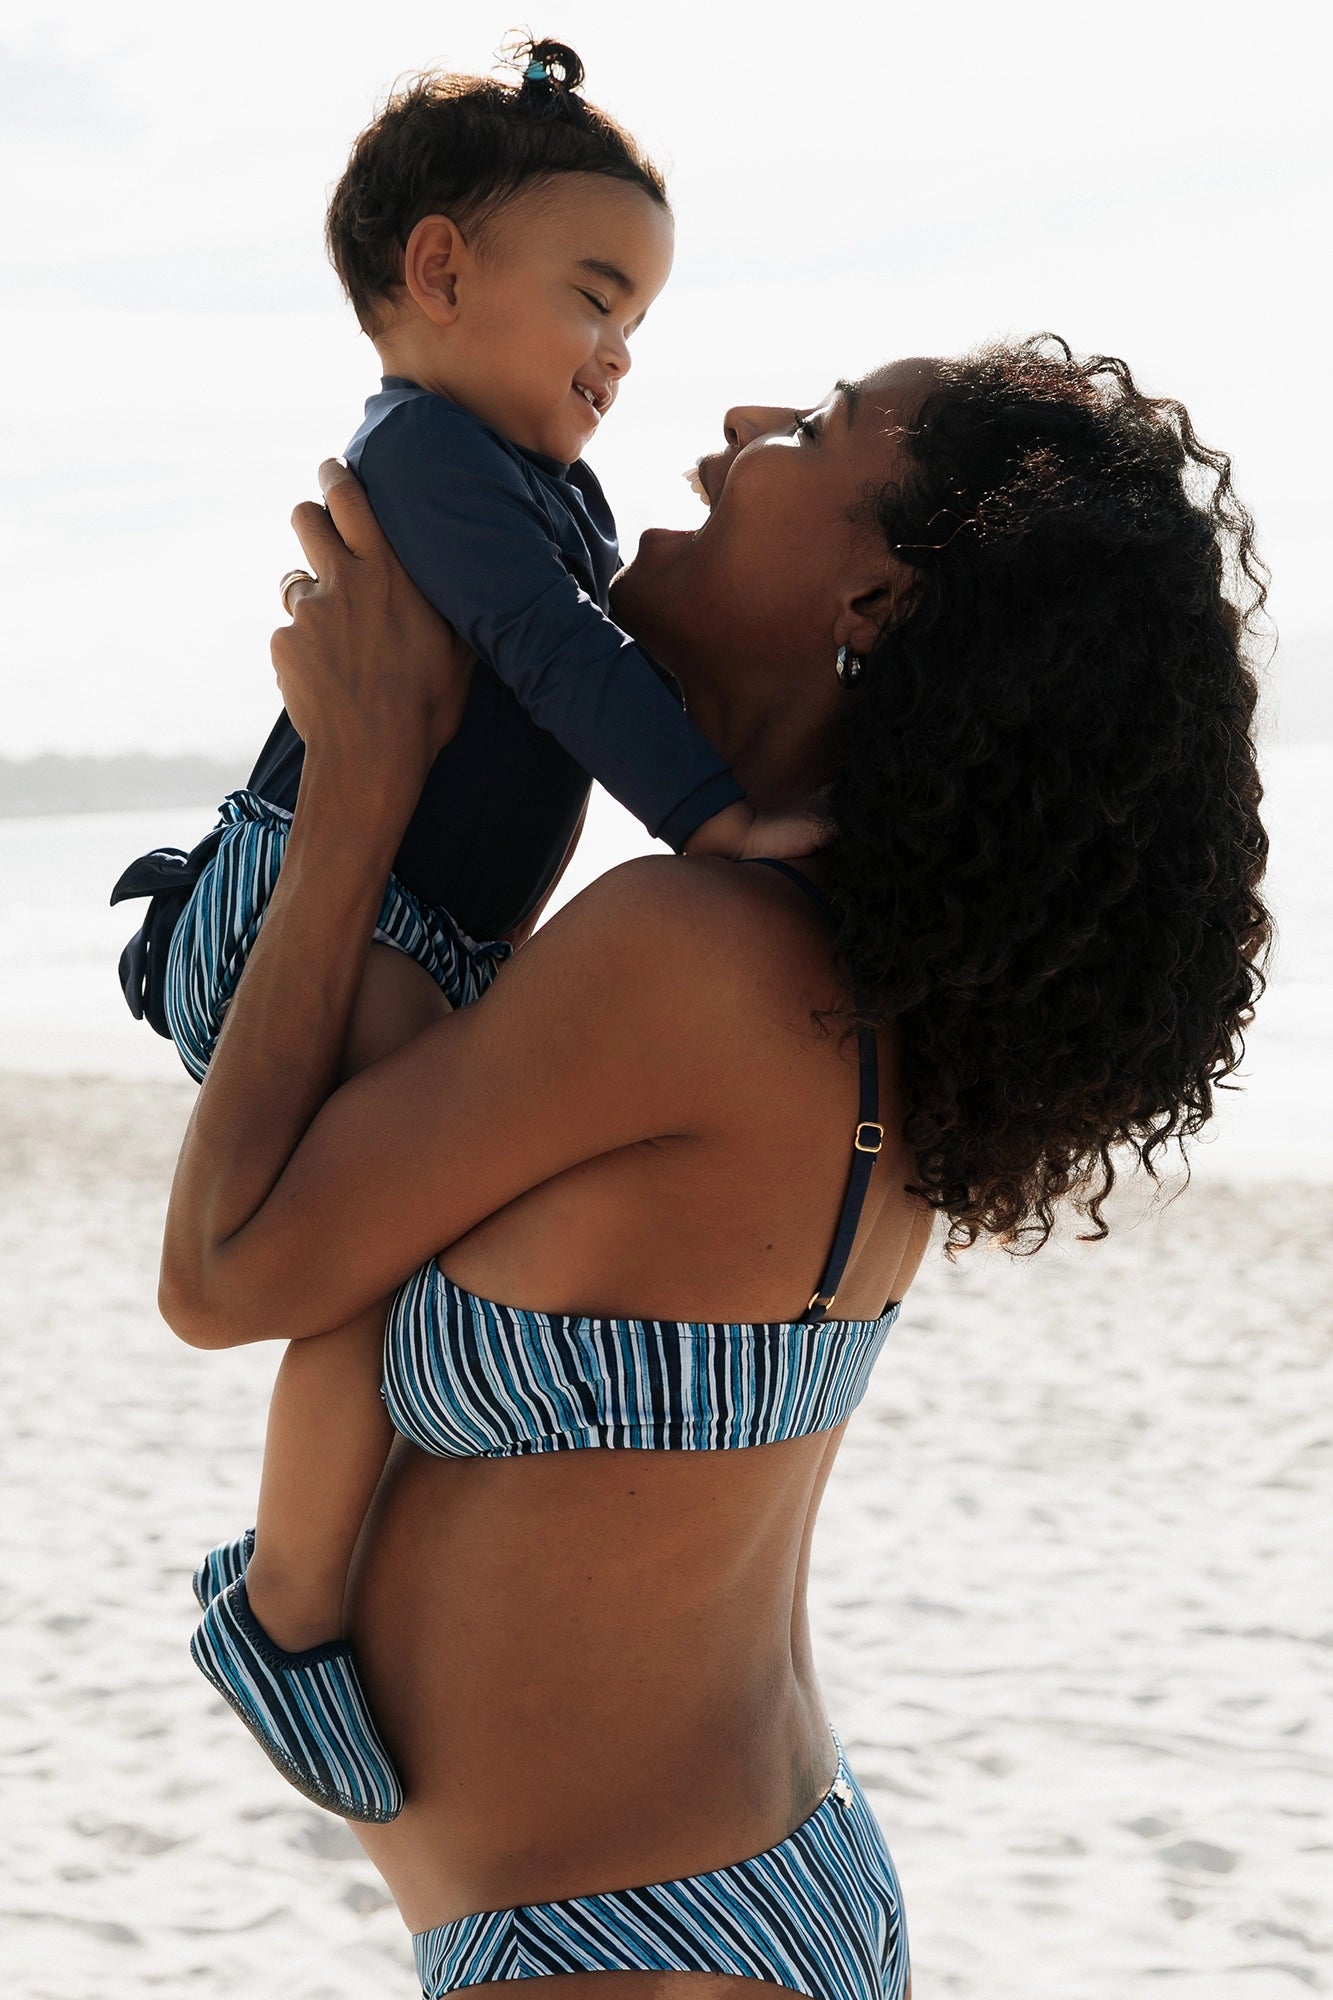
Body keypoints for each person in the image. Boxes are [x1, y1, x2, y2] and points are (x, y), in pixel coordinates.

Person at [159, 339, 1270, 1999]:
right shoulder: (868, 974)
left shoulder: (696, 957)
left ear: (875, 600)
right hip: (736, 1891)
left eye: (814, 429)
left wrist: (357, 792)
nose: (742, 422)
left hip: (622, 1938)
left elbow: (223, 1269)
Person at [113, 40, 819, 1825]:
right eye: (594, 297)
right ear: (437, 272)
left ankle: (314, 1574)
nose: (620, 354)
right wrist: (710, 817)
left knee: (403, 1228)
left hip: (415, 925)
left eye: (636, 317)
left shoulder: (523, 485)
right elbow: (558, 660)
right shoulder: (428, 457)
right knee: (358, 1263)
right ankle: (287, 1607)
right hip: (334, 904)